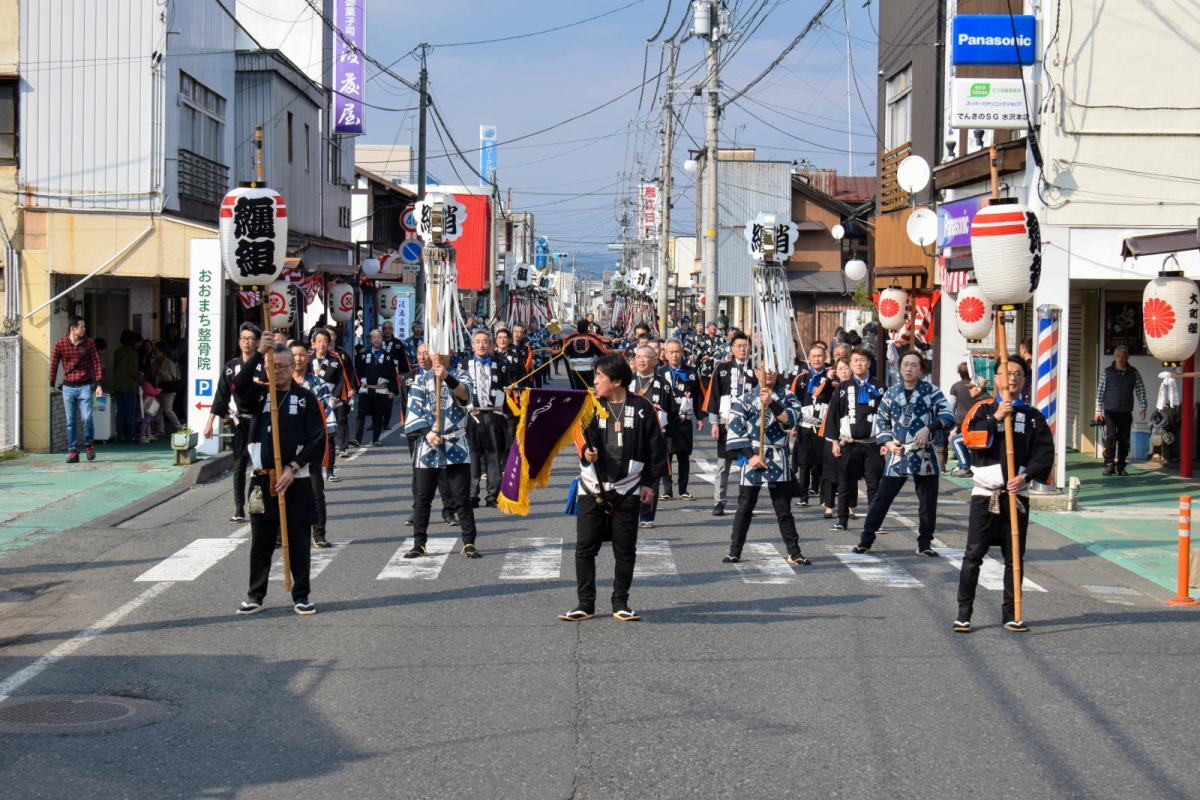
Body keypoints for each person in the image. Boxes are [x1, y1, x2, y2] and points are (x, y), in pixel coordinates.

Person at [560, 354, 666, 622]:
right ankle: (585, 603)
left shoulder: (642, 407)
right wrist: (586, 451)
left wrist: (650, 484)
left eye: (599, 376)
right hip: (593, 486)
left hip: (628, 487)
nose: (594, 381)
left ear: (617, 380)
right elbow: (580, 434)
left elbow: (656, 449)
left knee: (625, 548)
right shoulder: (590, 406)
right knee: (585, 547)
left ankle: (620, 602)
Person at [955, 357, 1055, 633]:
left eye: (1018, 374)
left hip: (1016, 496)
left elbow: (1045, 453)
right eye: (1006, 373)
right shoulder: (982, 408)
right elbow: (968, 439)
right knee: (974, 554)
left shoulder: (1033, 416)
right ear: (996, 378)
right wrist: (996, 418)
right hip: (984, 494)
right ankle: (964, 613)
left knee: (1014, 558)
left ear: (1025, 380)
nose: (1012, 378)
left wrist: (1026, 476)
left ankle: (1012, 613)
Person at [234, 341, 326, 616]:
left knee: (298, 539)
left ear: (293, 366)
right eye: (272, 367)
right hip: (263, 479)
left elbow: (317, 438)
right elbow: (238, 385)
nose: (278, 372)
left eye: (283, 367)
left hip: (295, 480)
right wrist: (259, 353)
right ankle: (255, 595)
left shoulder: (305, 397)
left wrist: (293, 467)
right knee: (260, 540)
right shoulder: (260, 394)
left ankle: (301, 594)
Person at [853, 350, 956, 556]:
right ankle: (866, 538)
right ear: (899, 368)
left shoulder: (931, 391)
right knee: (882, 498)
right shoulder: (891, 392)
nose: (909, 369)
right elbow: (881, 419)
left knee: (927, 502)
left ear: (921, 370)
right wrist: (888, 442)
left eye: (914, 365)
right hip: (898, 453)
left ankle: (925, 543)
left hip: (924, 453)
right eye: (905, 365)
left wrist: (929, 428)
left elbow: (948, 416)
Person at [722, 366, 812, 566]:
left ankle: (794, 552)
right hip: (752, 455)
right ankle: (734, 550)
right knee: (744, 507)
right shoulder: (744, 399)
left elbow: (790, 420)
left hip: (778, 456)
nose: (768, 373)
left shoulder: (788, 396)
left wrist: (771, 403)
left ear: (778, 371)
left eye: (772, 369)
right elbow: (736, 429)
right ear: (756, 372)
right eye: (763, 369)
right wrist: (750, 456)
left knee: (783, 509)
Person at [403, 352, 481, 559]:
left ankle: (469, 542)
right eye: (434, 352)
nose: (439, 356)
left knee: (461, 497)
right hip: (428, 443)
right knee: (422, 498)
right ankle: (419, 543)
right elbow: (414, 411)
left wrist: (447, 376)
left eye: (443, 352)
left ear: (450, 354)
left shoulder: (461, 375)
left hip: (456, 442)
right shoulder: (421, 380)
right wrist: (427, 433)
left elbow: (465, 395)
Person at [204, 323, 266, 522]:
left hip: (260, 421)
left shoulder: (265, 365)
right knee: (239, 465)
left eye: (251, 339)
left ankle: (253, 502)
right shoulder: (230, 367)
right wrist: (210, 423)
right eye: (243, 338)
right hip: (239, 422)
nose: (247, 342)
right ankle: (238, 508)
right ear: (239, 342)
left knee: (258, 464)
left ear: (257, 343)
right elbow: (221, 395)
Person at [822, 347, 885, 531]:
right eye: (855, 360)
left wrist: (886, 442)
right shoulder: (842, 387)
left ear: (869, 363)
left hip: (873, 442)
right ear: (850, 364)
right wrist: (834, 441)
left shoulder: (879, 387)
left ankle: (875, 522)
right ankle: (842, 519)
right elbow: (833, 414)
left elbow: (887, 415)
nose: (859, 363)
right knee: (845, 482)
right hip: (849, 443)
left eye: (863, 360)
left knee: (874, 484)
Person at [400, 343, 459, 528]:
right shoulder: (408, 378)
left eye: (426, 353)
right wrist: (413, 429)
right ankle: (417, 509)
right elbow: (405, 407)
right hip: (418, 434)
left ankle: (449, 511)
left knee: (442, 472)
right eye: (419, 354)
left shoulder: (443, 376)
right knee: (419, 476)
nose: (422, 357)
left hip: (440, 433)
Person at [704, 332, 756, 516]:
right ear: (732, 348)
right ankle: (719, 502)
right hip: (727, 423)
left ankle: (746, 503)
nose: (742, 349)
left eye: (745, 345)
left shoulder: (756, 368)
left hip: (750, 424)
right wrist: (714, 423)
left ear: (750, 348)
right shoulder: (722, 367)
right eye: (739, 346)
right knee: (723, 465)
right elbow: (714, 396)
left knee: (749, 464)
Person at [291, 342, 334, 548]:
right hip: (287, 447)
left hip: (311, 447)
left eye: (301, 355)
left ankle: (319, 534)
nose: (298, 359)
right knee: (283, 490)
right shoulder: (280, 383)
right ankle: (282, 534)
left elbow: (326, 415)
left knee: (316, 492)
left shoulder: (318, 384)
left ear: (307, 358)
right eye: (294, 355)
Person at [629, 345, 676, 528]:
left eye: (646, 357)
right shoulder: (627, 382)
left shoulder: (662, 384)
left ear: (655, 360)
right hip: (631, 436)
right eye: (638, 357)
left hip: (656, 437)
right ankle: (630, 511)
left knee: (652, 476)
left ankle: (647, 515)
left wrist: (671, 439)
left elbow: (672, 412)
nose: (641, 360)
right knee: (630, 473)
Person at [465, 331, 511, 509]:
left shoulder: (500, 364)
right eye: (478, 342)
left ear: (491, 345)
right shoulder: (463, 365)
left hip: (493, 414)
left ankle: (493, 495)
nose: (481, 345)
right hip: (472, 415)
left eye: (485, 342)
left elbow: (506, 388)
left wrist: (506, 411)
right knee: (473, 456)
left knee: (494, 456)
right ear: (472, 346)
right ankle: (472, 494)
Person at [49, 315, 104, 463]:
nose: (84, 329)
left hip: (85, 385)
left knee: (87, 418)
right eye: (82, 326)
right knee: (70, 421)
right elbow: (54, 363)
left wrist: (98, 384)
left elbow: (96, 363)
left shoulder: (89, 343)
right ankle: (73, 451)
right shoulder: (60, 344)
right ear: (73, 328)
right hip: (68, 386)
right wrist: (52, 383)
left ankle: (89, 445)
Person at [659, 337, 705, 500]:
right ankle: (667, 490)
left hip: (684, 420)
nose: (674, 355)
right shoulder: (660, 373)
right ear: (665, 354)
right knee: (667, 456)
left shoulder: (691, 372)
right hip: (666, 421)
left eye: (677, 351)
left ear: (682, 352)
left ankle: (683, 489)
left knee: (684, 455)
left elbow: (698, 396)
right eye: (671, 352)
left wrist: (700, 417)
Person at [788, 345, 834, 509]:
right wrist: (792, 424)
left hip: (823, 426)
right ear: (809, 357)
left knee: (822, 462)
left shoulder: (831, 376)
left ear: (825, 356)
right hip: (805, 425)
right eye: (813, 356)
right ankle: (803, 496)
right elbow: (793, 401)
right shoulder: (801, 378)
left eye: (820, 356)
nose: (817, 359)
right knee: (804, 463)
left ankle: (823, 497)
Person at [1094, 345, 1147, 476]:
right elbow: (1100, 392)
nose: (1120, 359)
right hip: (1110, 411)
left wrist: (1143, 407)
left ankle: (1121, 466)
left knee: (1124, 439)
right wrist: (1097, 410)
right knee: (1110, 438)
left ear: (1128, 358)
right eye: (1118, 356)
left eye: (1123, 356)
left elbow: (1140, 391)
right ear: (1114, 357)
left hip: (1126, 410)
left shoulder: (1134, 373)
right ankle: (1109, 464)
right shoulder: (1107, 372)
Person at [308, 330, 347, 481]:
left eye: (325, 341)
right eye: (319, 341)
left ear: (329, 343)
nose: (322, 344)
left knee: (329, 437)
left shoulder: (335, 360)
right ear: (314, 343)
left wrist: (335, 398)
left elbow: (341, 380)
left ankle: (330, 470)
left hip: (329, 400)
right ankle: (312, 468)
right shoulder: (307, 359)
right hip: (310, 400)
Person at [818, 358, 853, 519]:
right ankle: (829, 506)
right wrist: (828, 379)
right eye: (840, 369)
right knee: (830, 470)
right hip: (831, 432)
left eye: (847, 368)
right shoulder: (832, 387)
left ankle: (850, 506)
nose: (844, 371)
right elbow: (818, 396)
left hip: (851, 433)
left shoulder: (857, 386)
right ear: (835, 371)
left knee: (849, 470)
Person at [353, 330, 399, 447]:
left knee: (378, 415)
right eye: (374, 337)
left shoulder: (388, 356)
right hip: (365, 388)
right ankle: (357, 439)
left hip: (381, 389)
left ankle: (375, 439)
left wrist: (392, 390)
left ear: (382, 339)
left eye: (378, 337)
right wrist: (355, 387)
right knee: (361, 413)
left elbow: (392, 375)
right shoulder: (363, 356)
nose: (376, 340)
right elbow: (357, 373)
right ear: (370, 340)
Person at [947, 361, 987, 478]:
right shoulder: (981, 398)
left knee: (955, 440)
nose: (970, 391)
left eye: (972, 389)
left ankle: (964, 466)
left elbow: (952, 405)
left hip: (965, 423)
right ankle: (964, 464)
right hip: (972, 424)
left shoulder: (956, 387)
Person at [556, 319, 611, 390]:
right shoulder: (592, 340)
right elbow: (602, 353)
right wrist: (613, 352)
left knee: (576, 391)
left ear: (578, 328)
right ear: (587, 328)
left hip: (575, 370)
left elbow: (562, 353)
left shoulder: (571, 340)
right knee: (588, 391)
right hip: (588, 369)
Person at [378, 320, 412, 431]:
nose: (387, 330)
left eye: (389, 328)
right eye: (385, 328)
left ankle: (386, 422)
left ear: (392, 330)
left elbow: (403, 360)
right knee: (377, 399)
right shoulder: (378, 342)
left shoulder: (398, 343)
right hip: (378, 373)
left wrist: (404, 374)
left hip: (393, 373)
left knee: (389, 398)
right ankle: (376, 421)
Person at [111, 330, 142, 443]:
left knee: (120, 411)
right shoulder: (133, 353)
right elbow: (132, 371)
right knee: (130, 412)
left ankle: (120, 435)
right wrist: (139, 376)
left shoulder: (117, 351)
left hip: (118, 384)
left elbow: (114, 369)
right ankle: (131, 435)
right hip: (130, 386)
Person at [152, 342, 183, 436]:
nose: (154, 353)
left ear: (163, 352)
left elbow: (172, 378)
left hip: (168, 390)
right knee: (158, 410)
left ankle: (179, 427)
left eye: (156, 351)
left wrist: (163, 372)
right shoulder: (154, 362)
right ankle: (160, 429)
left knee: (167, 410)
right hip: (157, 389)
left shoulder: (169, 363)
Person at [137, 377, 162, 442]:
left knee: (147, 421)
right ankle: (142, 436)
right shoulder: (146, 384)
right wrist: (158, 390)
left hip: (144, 405)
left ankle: (148, 434)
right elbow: (153, 392)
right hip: (146, 406)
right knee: (146, 421)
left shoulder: (141, 384)